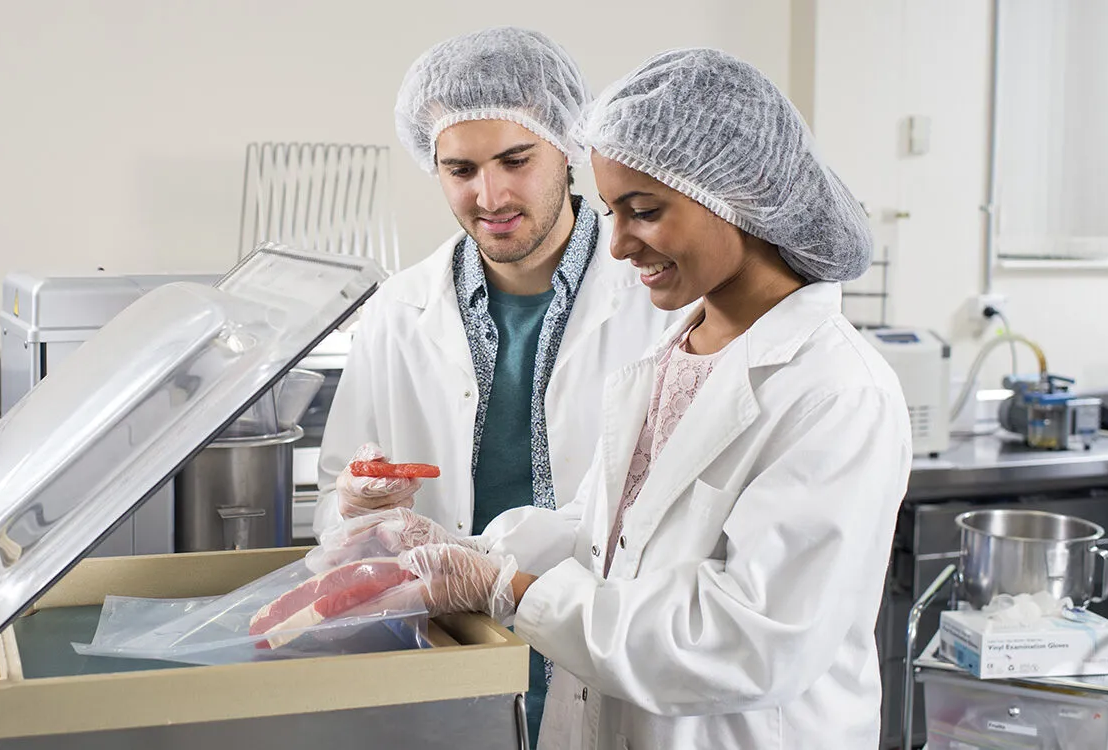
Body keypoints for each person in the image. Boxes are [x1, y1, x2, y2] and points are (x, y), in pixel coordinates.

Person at [336, 48, 913, 748]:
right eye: (612, 212)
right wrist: (459, 551)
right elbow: (601, 536)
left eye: (643, 212)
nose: (615, 246)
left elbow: (748, 641)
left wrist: (507, 590)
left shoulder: (836, 392)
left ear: (739, 191)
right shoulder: (675, 351)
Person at [314, 27, 678, 744]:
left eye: (516, 159)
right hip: (452, 677)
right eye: (461, 169)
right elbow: (339, 513)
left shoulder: (659, 300)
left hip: (612, 666)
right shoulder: (397, 312)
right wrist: (354, 507)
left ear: (569, 146)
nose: (491, 195)